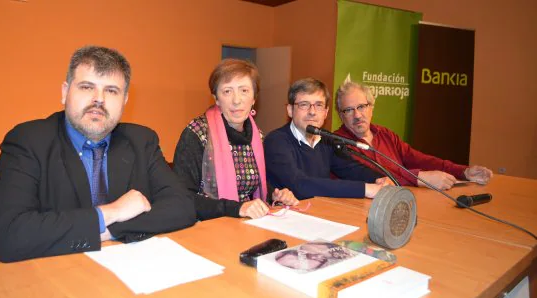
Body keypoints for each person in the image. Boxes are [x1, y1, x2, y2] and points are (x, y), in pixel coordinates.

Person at [0, 46, 196, 263]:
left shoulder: (141, 140)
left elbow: (182, 206)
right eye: (87, 87)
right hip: (54, 274)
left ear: (125, 100)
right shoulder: (29, 141)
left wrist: (108, 230)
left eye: (111, 91)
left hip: (130, 270)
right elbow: (10, 235)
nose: (99, 99)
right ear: (65, 92)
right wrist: (113, 212)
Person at [172, 59, 298, 220]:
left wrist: (275, 195)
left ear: (254, 99)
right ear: (216, 99)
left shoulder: (257, 136)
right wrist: (237, 208)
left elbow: (250, 185)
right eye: (227, 91)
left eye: (244, 90)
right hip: (205, 226)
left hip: (246, 224)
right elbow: (182, 198)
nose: (236, 100)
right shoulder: (197, 132)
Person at [333, 80, 493, 190]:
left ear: (371, 107)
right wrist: (421, 178)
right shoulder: (336, 143)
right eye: (348, 110)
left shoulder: (386, 135)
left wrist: (463, 171)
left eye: (361, 107)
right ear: (340, 115)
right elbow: (376, 177)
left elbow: (419, 159)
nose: (357, 115)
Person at [264, 78, 391, 200]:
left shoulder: (326, 140)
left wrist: (379, 179)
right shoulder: (276, 141)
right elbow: (299, 184)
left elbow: (351, 168)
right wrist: (366, 189)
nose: (312, 112)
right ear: (290, 110)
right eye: (304, 105)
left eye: (319, 105)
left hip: (320, 212)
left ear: (326, 112)